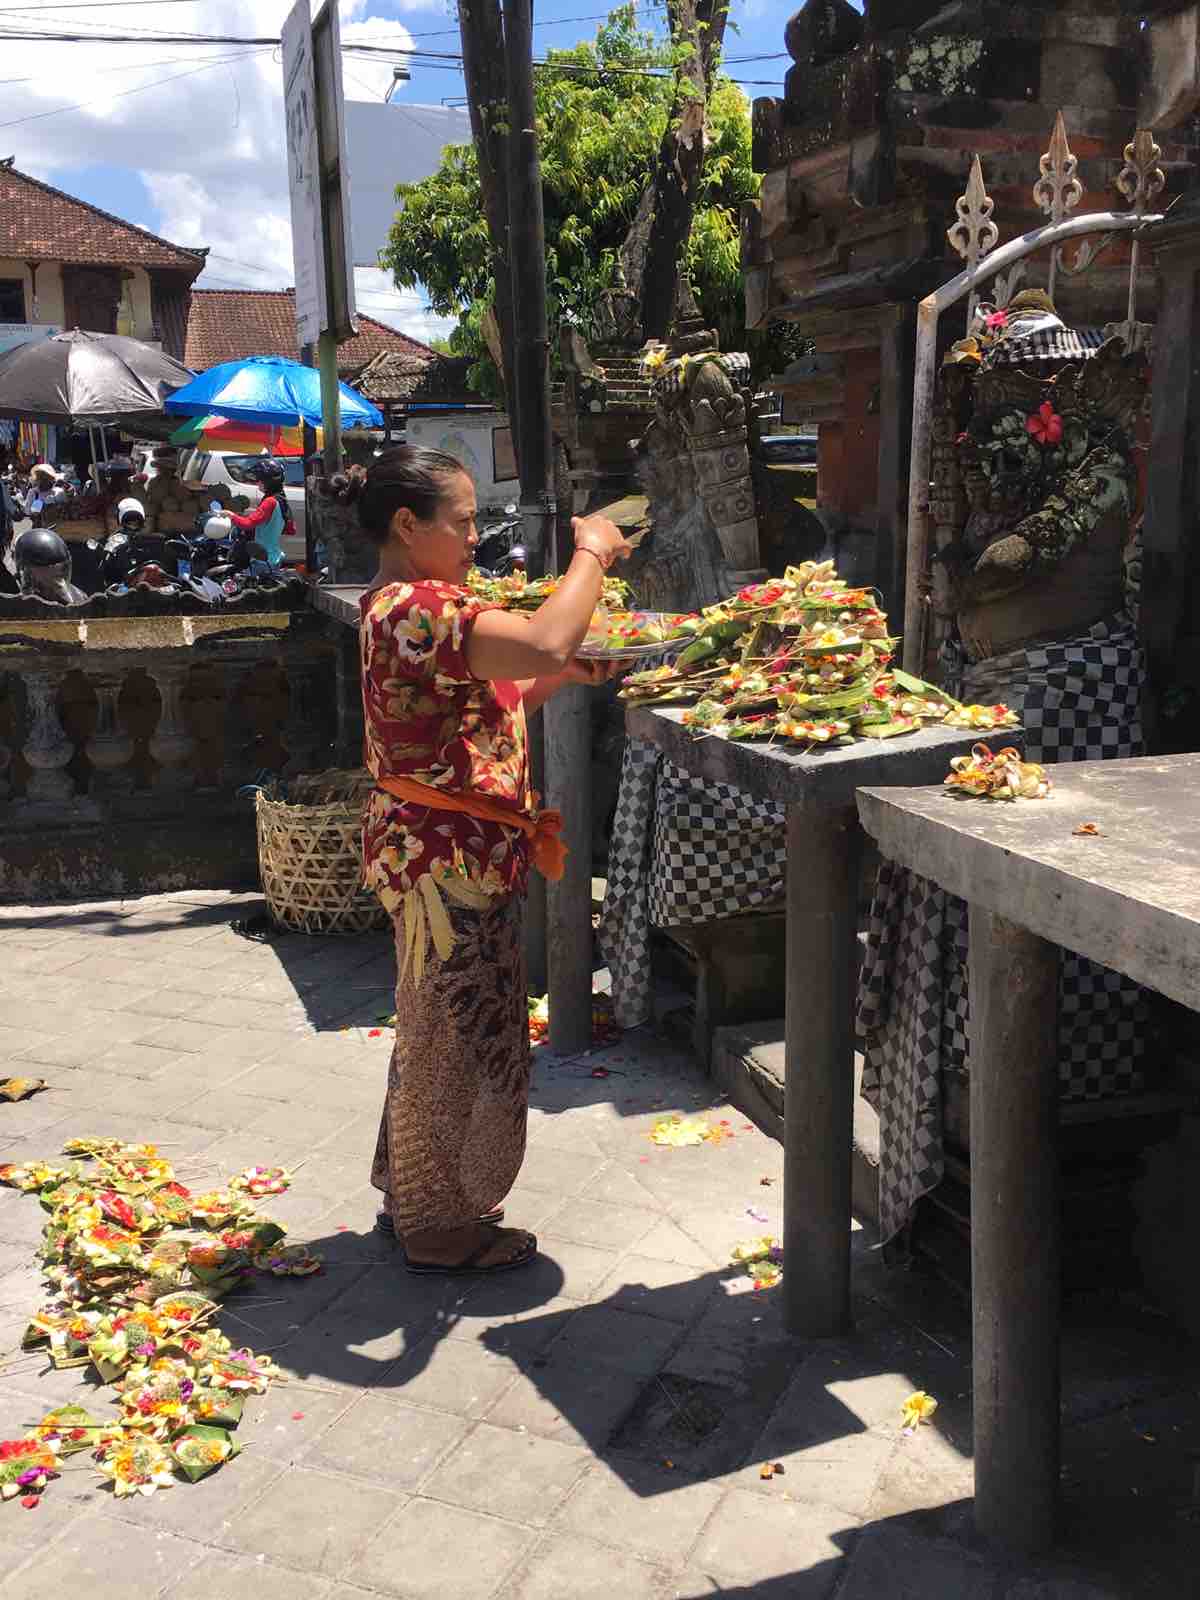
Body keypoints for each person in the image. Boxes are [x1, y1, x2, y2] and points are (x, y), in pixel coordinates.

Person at [857, 292, 1149, 1252]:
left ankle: (1044, 1101)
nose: (1002, 408)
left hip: (1070, 710)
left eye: (1023, 388)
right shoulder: (994, 467)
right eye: (994, 390)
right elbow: (969, 560)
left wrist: (970, 560)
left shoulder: (1100, 468)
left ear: (1061, 390)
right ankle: (949, 1089)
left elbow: (1020, 558)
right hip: (988, 696)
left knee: (1050, 904)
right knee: (967, 906)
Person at [324, 445, 632, 1274]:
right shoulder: (416, 606)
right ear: (406, 524)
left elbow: (502, 690)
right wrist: (592, 553)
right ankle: (437, 1228)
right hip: (445, 863)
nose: (472, 537)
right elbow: (540, 642)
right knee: (455, 1040)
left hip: (447, 851)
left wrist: (567, 672)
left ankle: (417, 1195)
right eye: (460, 522)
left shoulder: (407, 604)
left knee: (438, 1031)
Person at [227, 459, 291, 565]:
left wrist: (230, 515)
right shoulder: (280, 499)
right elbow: (290, 529)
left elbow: (247, 524)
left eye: (260, 479)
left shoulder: (269, 501)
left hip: (263, 559)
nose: (257, 483)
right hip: (274, 555)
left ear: (268, 482)